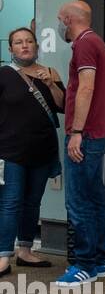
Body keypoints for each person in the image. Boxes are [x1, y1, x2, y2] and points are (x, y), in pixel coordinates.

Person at [54, 0, 105, 288]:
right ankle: (100, 259)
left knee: (79, 199)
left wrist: (77, 131)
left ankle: (85, 264)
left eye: (60, 19)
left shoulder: (84, 45)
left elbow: (87, 87)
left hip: (87, 133)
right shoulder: (97, 43)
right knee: (94, 196)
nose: (59, 24)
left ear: (68, 19)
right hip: (98, 131)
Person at [0, 28, 65, 275]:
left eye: (29, 41)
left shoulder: (49, 73)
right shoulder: (4, 75)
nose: (24, 45)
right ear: (11, 49)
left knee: (32, 203)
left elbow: (63, 106)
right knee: (10, 203)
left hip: (42, 150)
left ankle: (25, 250)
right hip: (10, 151)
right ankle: (3, 255)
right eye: (18, 42)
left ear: (37, 46)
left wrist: (51, 84)